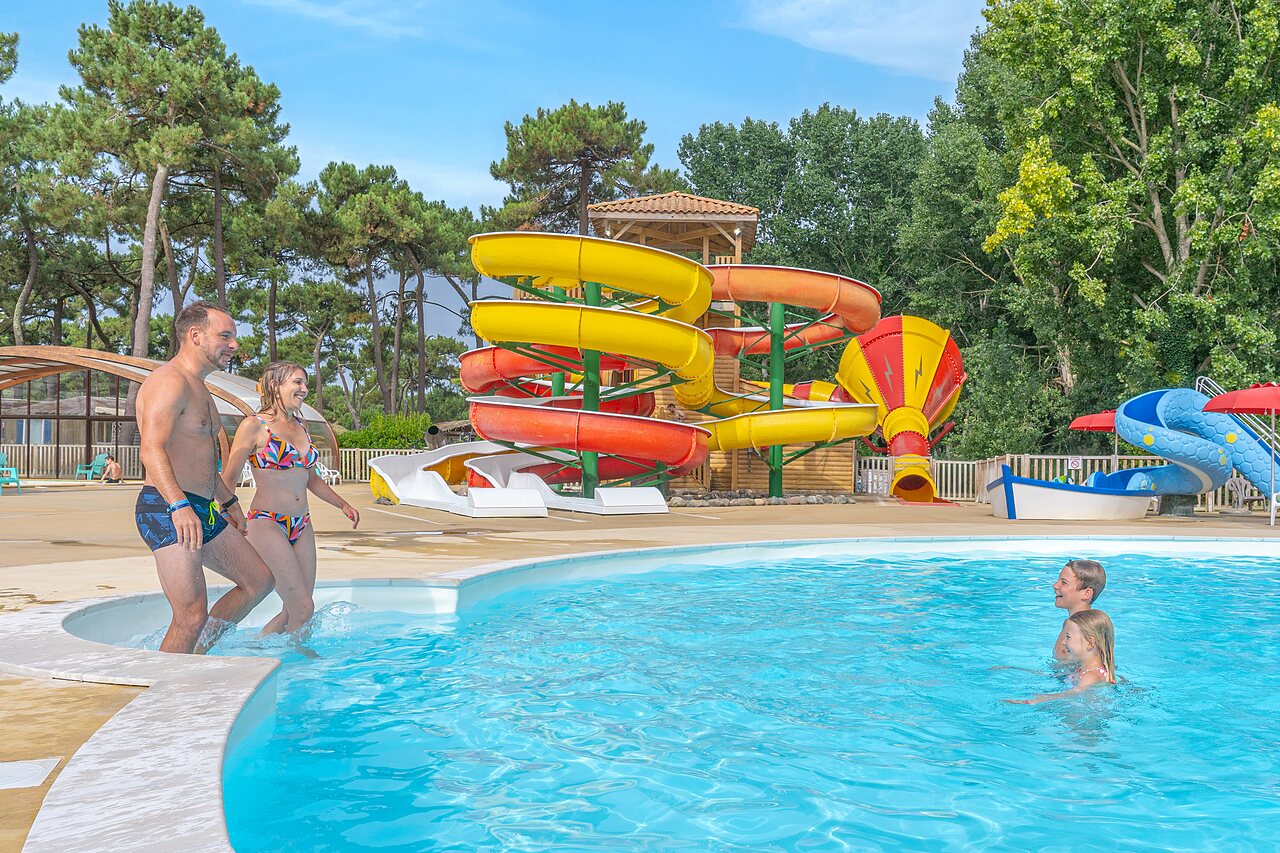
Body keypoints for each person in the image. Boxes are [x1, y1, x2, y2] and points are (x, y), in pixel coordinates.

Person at [134, 301, 274, 654]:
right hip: (166, 507)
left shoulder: (201, 388)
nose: (234, 345)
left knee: (258, 582)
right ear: (195, 336)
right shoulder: (168, 382)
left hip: (201, 505)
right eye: (225, 336)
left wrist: (229, 501)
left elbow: (203, 460)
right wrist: (179, 505)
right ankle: (161, 695)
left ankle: (196, 656)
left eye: (234, 337)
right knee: (190, 614)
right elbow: (151, 450)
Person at [222, 361, 359, 637]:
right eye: (297, 382)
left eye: (305, 383)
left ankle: (260, 649)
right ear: (275, 385)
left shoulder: (300, 424)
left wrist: (342, 504)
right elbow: (228, 478)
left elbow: (310, 478)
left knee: (293, 610)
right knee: (303, 607)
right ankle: (299, 660)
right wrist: (227, 516)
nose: (304, 389)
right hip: (267, 523)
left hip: (302, 524)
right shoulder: (254, 426)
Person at [1008, 610, 1117, 704]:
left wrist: (1040, 699)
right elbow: (1051, 675)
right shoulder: (1081, 668)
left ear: (1090, 643)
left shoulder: (1091, 675)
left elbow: (1074, 693)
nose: (1064, 642)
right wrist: (1017, 670)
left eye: (1068, 637)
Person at [1052, 559, 1106, 661]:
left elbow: (1094, 670)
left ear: (1086, 593)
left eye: (1064, 582)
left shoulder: (1085, 632)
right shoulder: (1068, 624)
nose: (1055, 585)